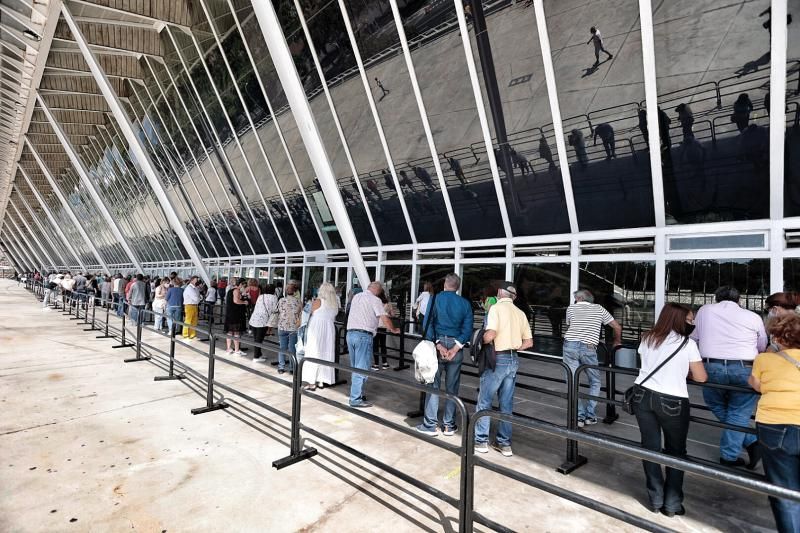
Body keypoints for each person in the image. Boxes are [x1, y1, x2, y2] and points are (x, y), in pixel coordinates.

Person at [631, 303, 707, 517]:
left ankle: (655, 498)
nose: (692, 324)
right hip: (673, 400)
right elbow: (701, 377)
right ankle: (672, 504)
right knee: (676, 452)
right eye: (690, 320)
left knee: (650, 448)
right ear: (679, 319)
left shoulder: (647, 338)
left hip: (642, 396)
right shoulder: (687, 344)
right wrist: (685, 372)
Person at [691, 286, 767, 467]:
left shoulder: (704, 310)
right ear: (739, 300)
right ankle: (745, 445)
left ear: (716, 298)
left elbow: (694, 337)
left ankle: (734, 453)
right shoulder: (753, 316)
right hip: (744, 368)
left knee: (715, 403)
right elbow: (762, 345)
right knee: (739, 411)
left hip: (712, 366)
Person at [749, 314, 800, 532]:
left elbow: (756, 385)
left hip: (775, 425)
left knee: (784, 492)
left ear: (777, 336)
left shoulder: (764, 359)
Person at [474, 281, 532, 456]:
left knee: (485, 400)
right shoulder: (520, 313)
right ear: (513, 296)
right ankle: (504, 443)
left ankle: (481, 441)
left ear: (500, 292)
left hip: (497, 359)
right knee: (506, 403)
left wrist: (479, 339)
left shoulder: (496, 309)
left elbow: (491, 334)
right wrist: (513, 348)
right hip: (513, 359)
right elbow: (529, 342)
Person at [415, 273, 473, 437]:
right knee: (452, 388)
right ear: (458, 287)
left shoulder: (435, 299)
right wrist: (455, 348)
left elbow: (427, 323)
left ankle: (430, 425)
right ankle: (448, 425)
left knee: (433, 385)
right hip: (456, 348)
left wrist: (439, 345)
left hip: (437, 346)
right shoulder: (465, 304)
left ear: (445, 284)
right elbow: (467, 329)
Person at [562, 289, 622, 427]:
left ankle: (579, 416)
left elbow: (571, 325)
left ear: (579, 298)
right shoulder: (599, 309)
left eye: (576, 298)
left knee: (572, 380)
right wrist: (617, 341)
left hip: (570, 345)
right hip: (589, 347)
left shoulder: (571, 308)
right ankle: (590, 415)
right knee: (595, 381)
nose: (575, 300)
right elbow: (617, 327)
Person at [347, 281, 400, 408]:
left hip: (350, 334)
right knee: (361, 368)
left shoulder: (357, 297)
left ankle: (357, 393)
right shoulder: (375, 299)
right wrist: (393, 329)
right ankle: (355, 399)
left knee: (355, 367)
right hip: (363, 336)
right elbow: (384, 317)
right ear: (377, 290)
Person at [301, 282, 340, 390]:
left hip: (316, 328)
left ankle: (311, 381)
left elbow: (309, 313)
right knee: (326, 353)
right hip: (329, 329)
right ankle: (322, 380)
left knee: (313, 352)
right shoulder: (334, 303)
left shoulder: (318, 301)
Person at [276, 280, 303, 374]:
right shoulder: (299, 302)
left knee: (282, 347)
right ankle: (292, 367)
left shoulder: (281, 300)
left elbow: (278, 311)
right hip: (293, 328)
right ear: (295, 292)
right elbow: (301, 314)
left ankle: (281, 367)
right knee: (292, 349)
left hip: (282, 326)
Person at [250, 283, 277, 363]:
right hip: (263, 321)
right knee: (259, 340)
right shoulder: (274, 297)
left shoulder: (261, 296)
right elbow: (275, 310)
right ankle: (256, 357)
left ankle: (259, 354)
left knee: (256, 339)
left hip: (254, 319)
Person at [372, 289, 396, 370]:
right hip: (384, 326)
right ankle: (385, 363)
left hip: (375, 326)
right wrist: (387, 314)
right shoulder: (388, 304)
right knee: (383, 345)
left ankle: (376, 364)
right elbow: (393, 314)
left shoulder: (375, 302)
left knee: (375, 345)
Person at [224, 279, 248, 356]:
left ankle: (228, 349)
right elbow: (236, 301)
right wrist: (244, 302)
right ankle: (237, 350)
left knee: (230, 332)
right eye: (243, 285)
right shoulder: (236, 290)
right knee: (236, 332)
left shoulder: (230, 291)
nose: (244, 287)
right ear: (240, 284)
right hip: (235, 314)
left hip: (230, 314)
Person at [182, 276, 201, 340]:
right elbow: (196, 298)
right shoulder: (189, 288)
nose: (197, 281)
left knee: (194, 321)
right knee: (188, 320)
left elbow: (198, 296)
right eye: (196, 280)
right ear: (192, 280)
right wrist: (199, 299)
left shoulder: (195, 288)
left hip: (195, 305)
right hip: (189, 305)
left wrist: (199, 298)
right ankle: (186, 334)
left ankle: (192, 334)